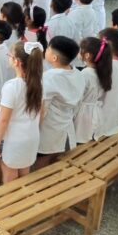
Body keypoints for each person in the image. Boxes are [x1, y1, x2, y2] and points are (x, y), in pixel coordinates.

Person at [0, 41, 44, 184]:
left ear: (17, 62)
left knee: (9, 180)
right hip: (31, 137)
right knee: (24, 176)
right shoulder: (40, 84)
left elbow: (3, 120)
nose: (8, 57)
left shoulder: (12, 86)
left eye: (10, 55)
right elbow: (42, 114)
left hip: (13, 140)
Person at [36, 36, 84, 167]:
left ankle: (41, 184)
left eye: (48, 49)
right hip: (66, 123)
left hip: (48, 127)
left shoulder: (49, 78)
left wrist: (33, 128)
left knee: (42, 160)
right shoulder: (78, 74)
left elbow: (42, 109)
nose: (46, 50)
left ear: (54, 58)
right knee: (54, 156)